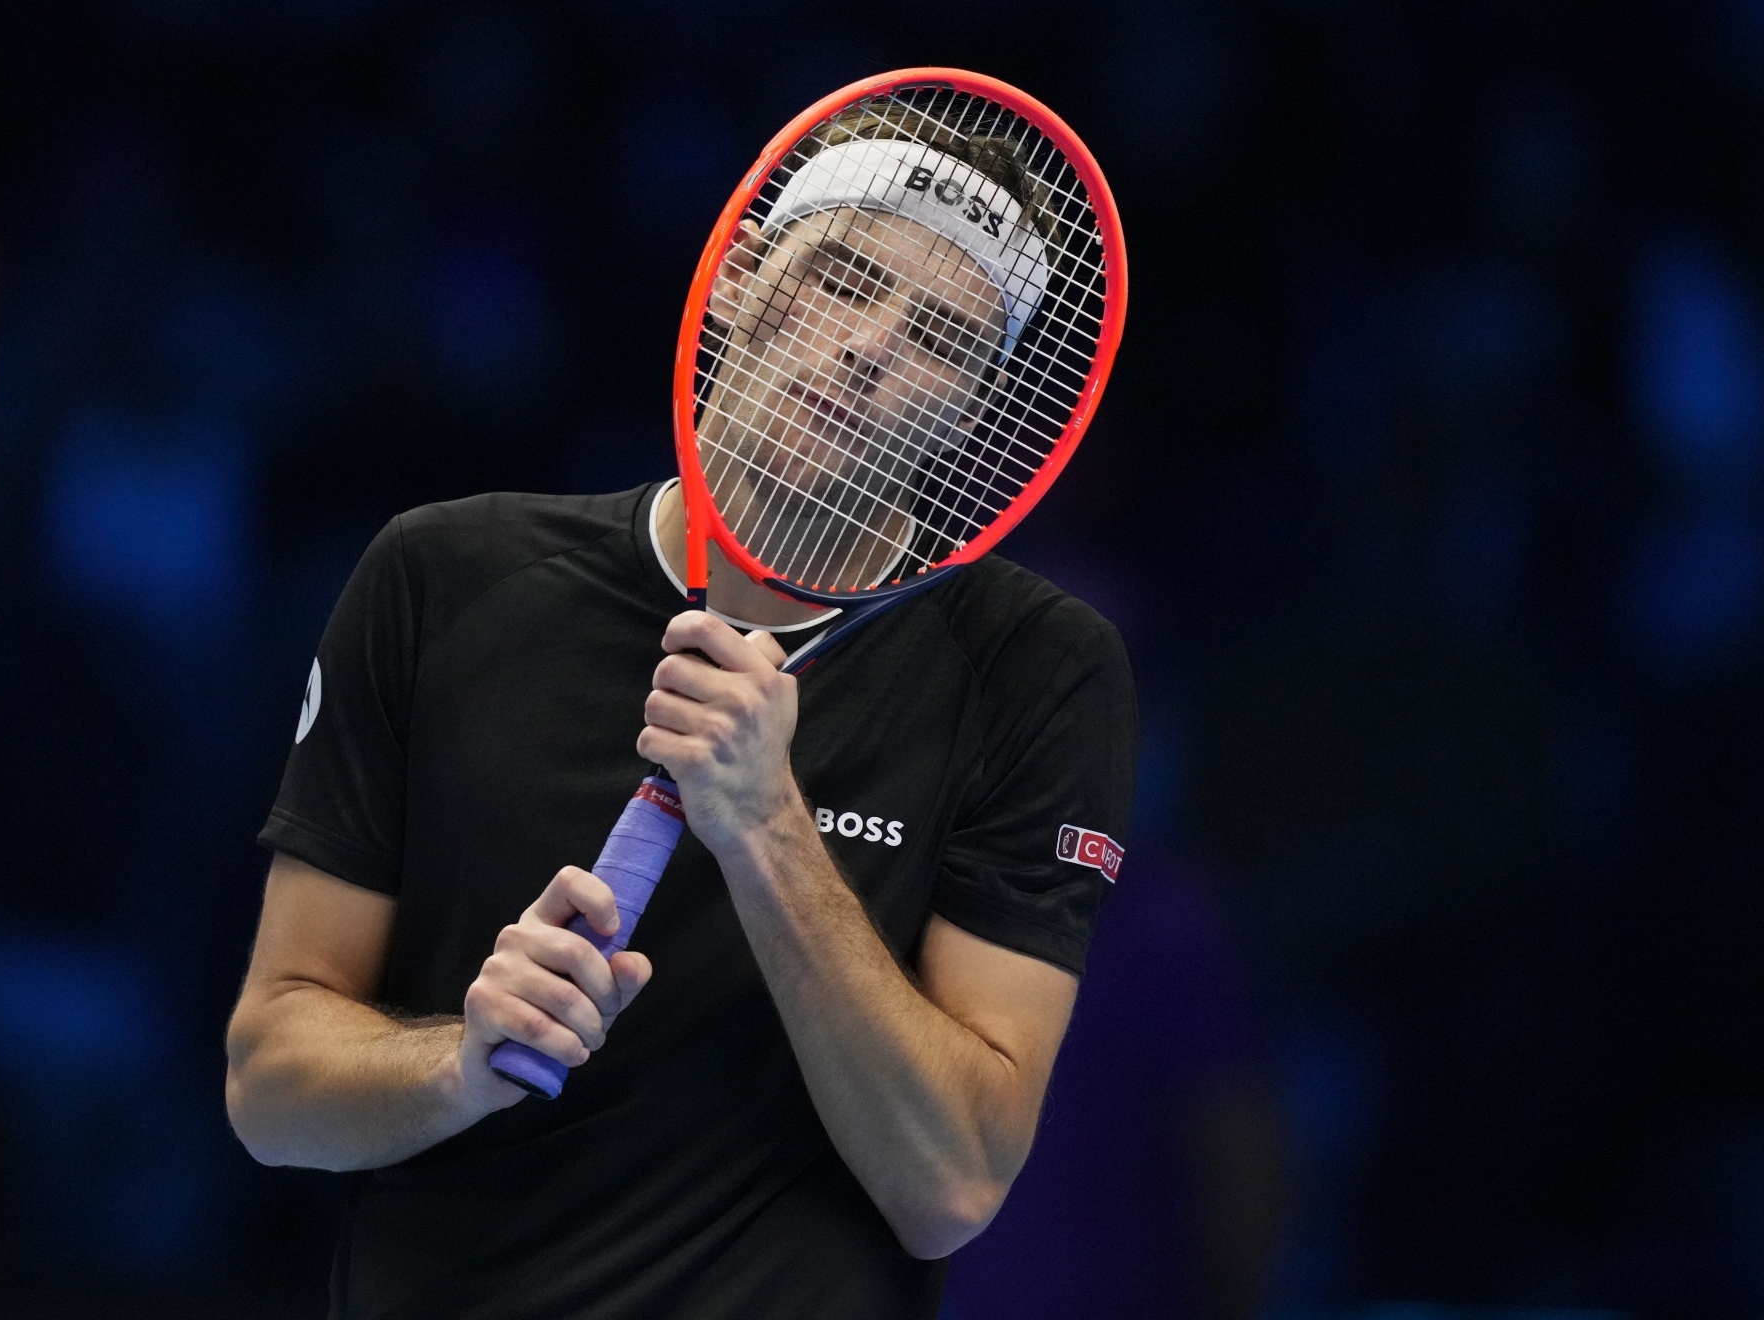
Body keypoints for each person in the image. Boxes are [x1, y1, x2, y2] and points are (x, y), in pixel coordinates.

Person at [224, 101, 1136, 1320]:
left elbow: (953, 1179)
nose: (867, 349)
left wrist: (763, 823)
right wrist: (457, 1062)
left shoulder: (1037, 671)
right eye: (845, 280)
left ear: (976, 413)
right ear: (746, 278)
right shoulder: (444, 577)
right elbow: (270, 1090)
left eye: (940, 341)